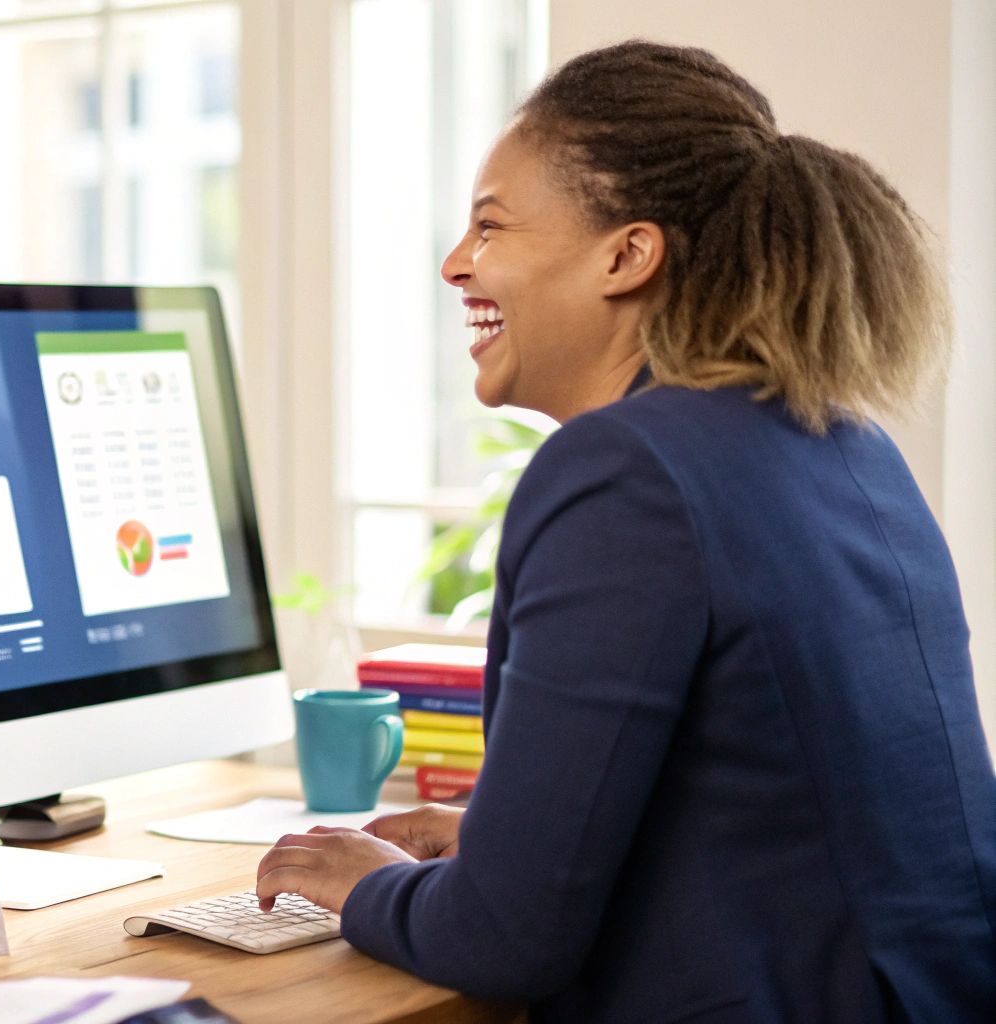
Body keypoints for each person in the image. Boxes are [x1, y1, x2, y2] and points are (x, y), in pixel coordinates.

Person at [255, 40, 996, 1022]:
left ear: (625, 254)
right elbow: (768, 812)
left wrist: (359, 880)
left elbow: (502, 941)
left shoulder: (624, 470)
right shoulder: (844, 443)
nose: (454, 263)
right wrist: (494, 842)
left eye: (489, 227)